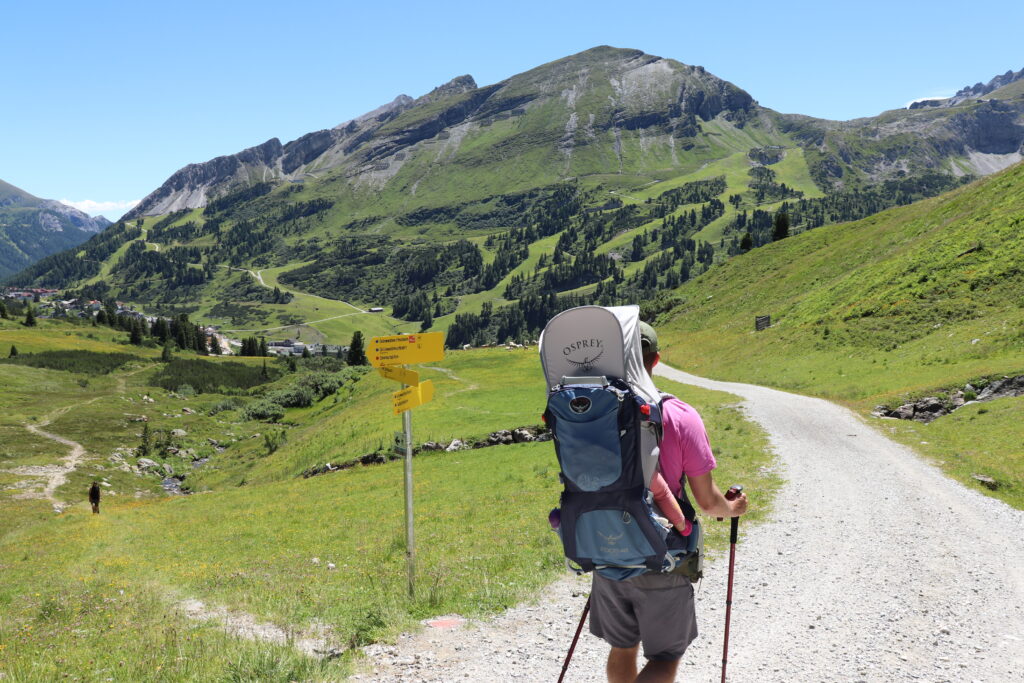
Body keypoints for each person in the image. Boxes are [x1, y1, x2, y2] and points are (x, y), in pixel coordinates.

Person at [587, 321, 748, 683]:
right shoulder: (679, 415)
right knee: (664, 657)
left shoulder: (592, 412)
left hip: (604, 546)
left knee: (622, 647)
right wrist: (734, 508)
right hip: (661, 552)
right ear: (656, 360)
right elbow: (708, 502)